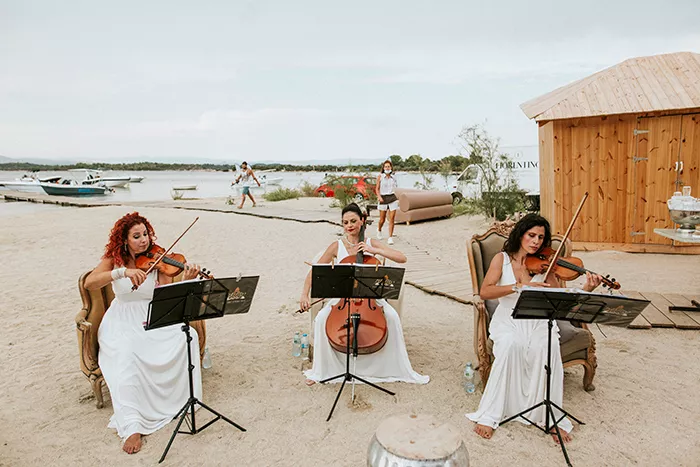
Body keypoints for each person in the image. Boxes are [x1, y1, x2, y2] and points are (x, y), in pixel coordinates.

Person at [466, 214, 602, 444]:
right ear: (521, 234)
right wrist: (518, 286)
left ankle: (550, 416)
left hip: (539, 320)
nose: (536, 241)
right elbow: (485, 291)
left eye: (540, 237)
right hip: (509, 319)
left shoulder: (547, 266)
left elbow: (562, 302)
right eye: (531, 235)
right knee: (510, 345)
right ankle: (491, 414)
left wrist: (587, 288)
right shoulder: (502, 259)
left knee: (546, 348)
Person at [84, 212, 204, 455]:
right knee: (127, 353)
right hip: (122, 320)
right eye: (136, 236)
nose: (143, 240)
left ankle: (176, 400)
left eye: (146, 234)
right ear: (125, 239)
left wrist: (187, 279)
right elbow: (90, 282)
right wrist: (122, 273)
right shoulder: (114, 259)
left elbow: (166, 295)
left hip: (152, 314)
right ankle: (133, 424)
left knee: (187, 338)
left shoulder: (158, 259)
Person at [299, 203, 429, 386]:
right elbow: (315, 271)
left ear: (362, 221)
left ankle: (391, 368)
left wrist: (375, 251)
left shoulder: (370, 243)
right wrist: (304, 294)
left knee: (392, 317)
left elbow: (402, 258)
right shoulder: (336, 246)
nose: (349, 225)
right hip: (343, 298)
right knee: (321, 320)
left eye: (353, 221)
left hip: (370, 297)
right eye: (345, 222)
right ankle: (321, 371)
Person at [375, 160, 398, 245]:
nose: (387, 168)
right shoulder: (380, 177)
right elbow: (377, 189)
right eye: (386, 166)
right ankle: (379, 230)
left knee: (392, 219)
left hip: (392, 197)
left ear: (391, 167)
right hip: (383, 198)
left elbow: (396, 188)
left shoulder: (394, 177)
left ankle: (390, 237)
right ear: (383, 168)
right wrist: (379, 197)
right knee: (382, 219)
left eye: (388, 166)